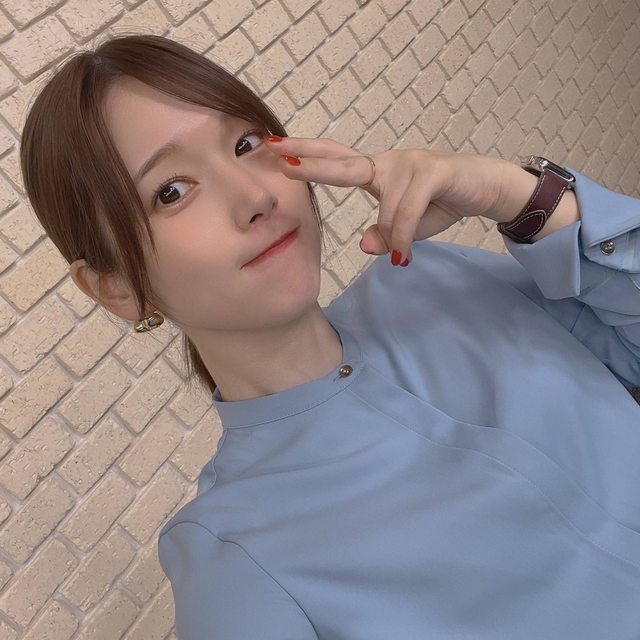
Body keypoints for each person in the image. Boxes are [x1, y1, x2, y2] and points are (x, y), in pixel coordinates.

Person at [20, 33, 640, 640]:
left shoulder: (431, 278)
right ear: (115, 288)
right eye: (172, 192)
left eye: (245, 143)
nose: (255, 195)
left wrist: (519, 196)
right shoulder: (236, 562)